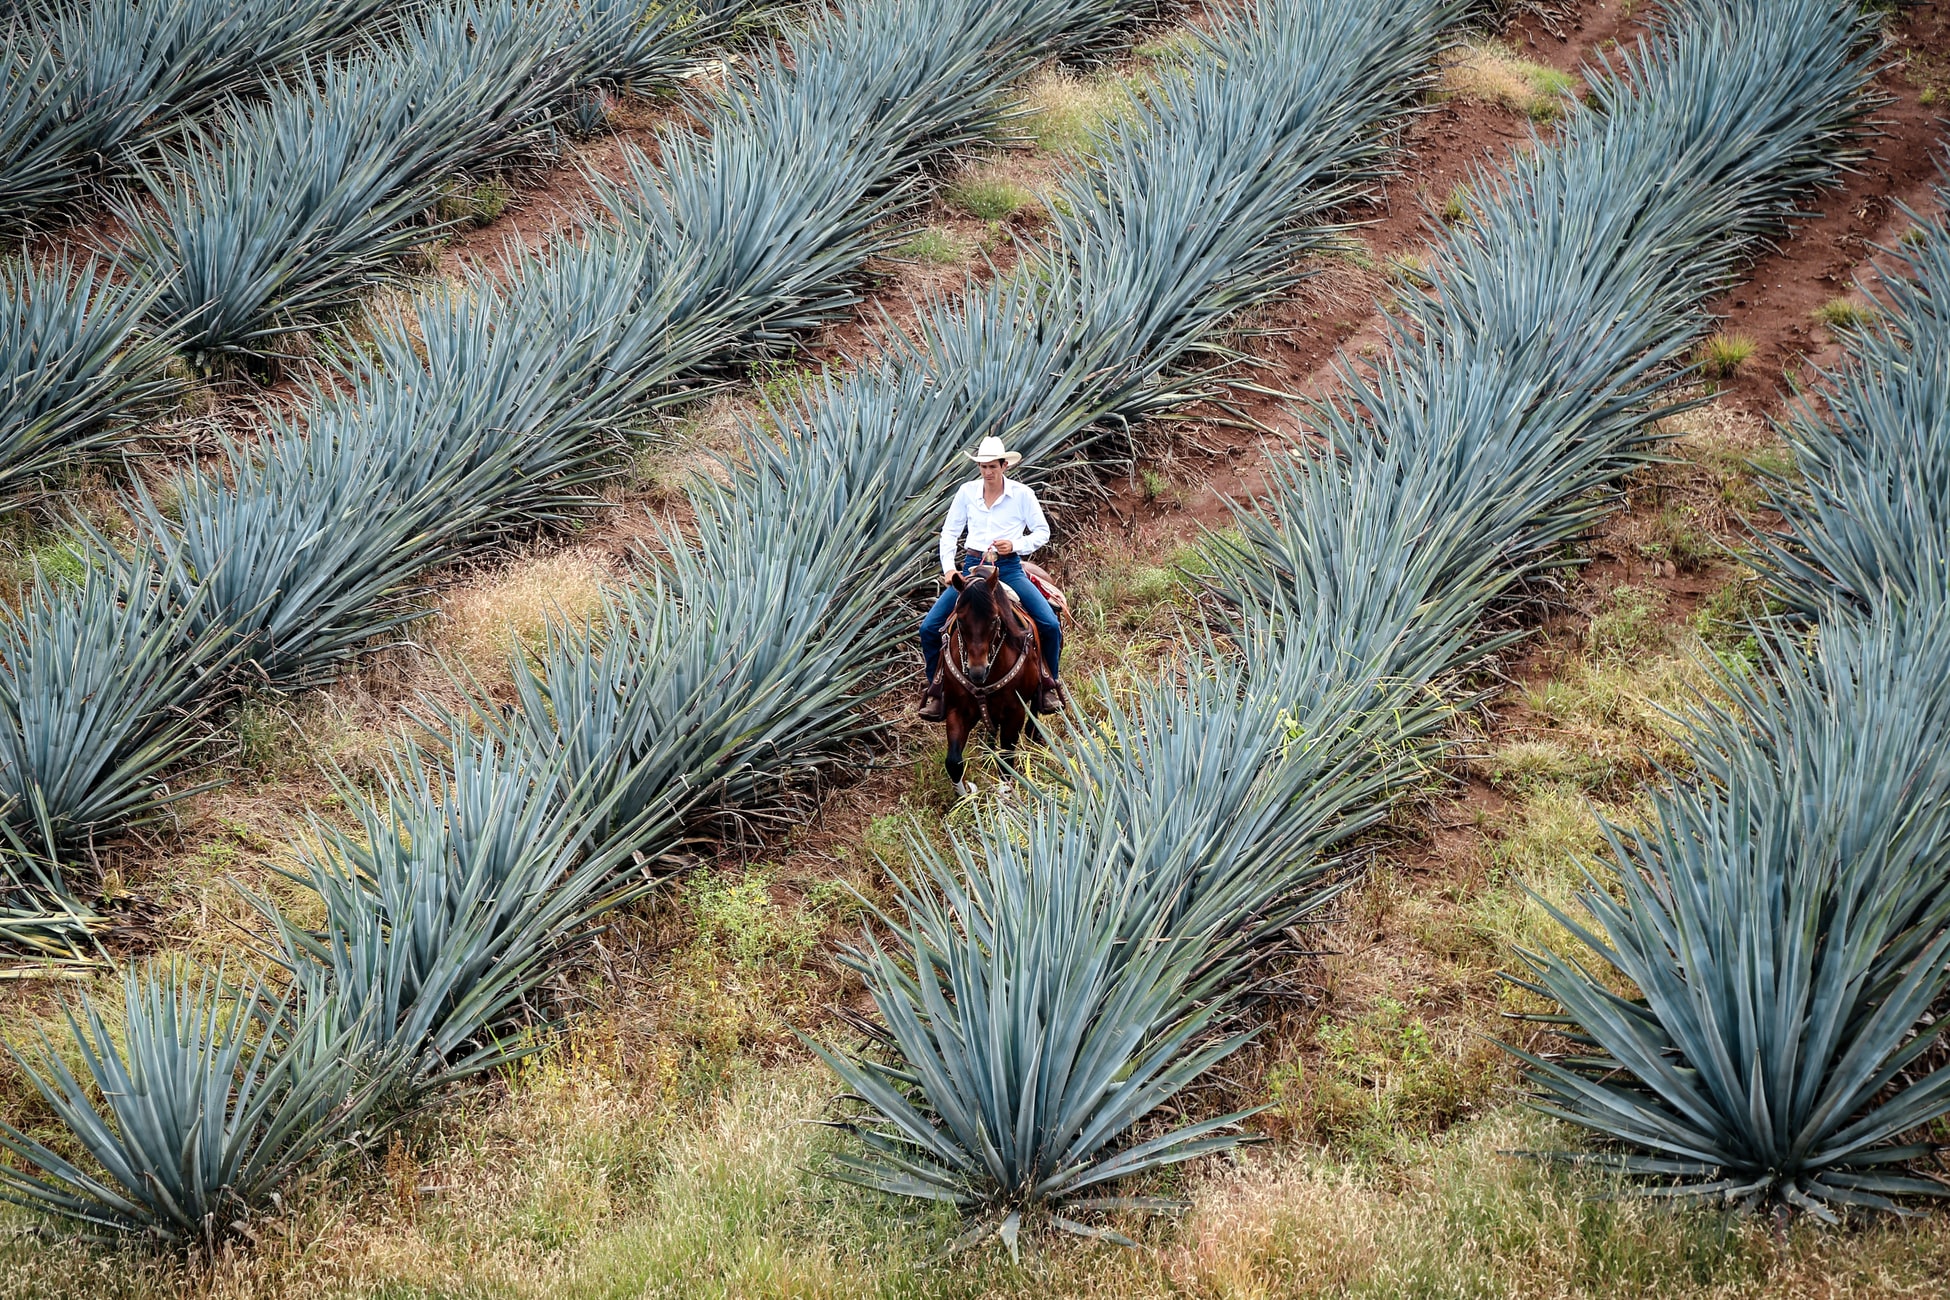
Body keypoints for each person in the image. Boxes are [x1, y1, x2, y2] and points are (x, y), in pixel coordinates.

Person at [918, 436, 1064, 721]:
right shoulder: (966, 492)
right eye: (983, 467)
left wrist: (1015, 545)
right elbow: (950, 532)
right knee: (929, 628)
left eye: (992, 466)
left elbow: (1041, 531)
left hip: (1008, 568)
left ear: (1003, 465)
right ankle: (937, 689)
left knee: (1048, 624)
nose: (987, 472)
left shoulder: (1022, 494)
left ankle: (1048, 684)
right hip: (972, 568)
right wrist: (949, 568)